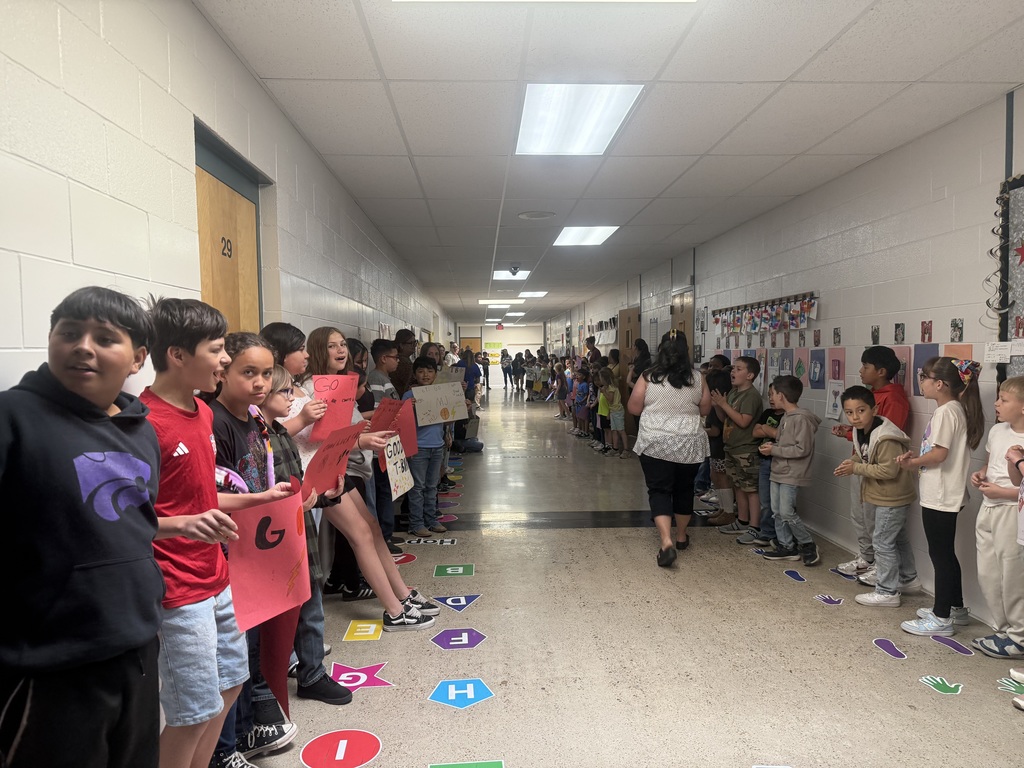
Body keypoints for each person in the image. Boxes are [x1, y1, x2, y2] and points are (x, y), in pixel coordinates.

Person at [0, 287, 165, 768]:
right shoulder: (14, 416)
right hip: (49, 663)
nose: (82, 346)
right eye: (68, 333)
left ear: (137, 359)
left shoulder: (142, 431)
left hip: (135, 648)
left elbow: (132, 528)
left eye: (104, 337)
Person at [260, 365, 354, 706]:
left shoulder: (281, 435)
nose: (292, 399)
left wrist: (327, 493)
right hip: (275, 539)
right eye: (286, 393)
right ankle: (270, 685)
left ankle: (313, 673)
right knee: (283, 614)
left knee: (312, 606)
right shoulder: (260, 440)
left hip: (300, 534)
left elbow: (301, 483)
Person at [896, 357, 984, 637]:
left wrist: (913, 463)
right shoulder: (953, 409)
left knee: (941, 555)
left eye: (924, 376)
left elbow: (939, 454)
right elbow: (937, 451)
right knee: (945, 552)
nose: (921, 381)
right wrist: (919, 457)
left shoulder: (947, 412)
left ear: (940, 384)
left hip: (941, 494)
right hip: (945, 492)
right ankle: (955, 608)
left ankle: (941, 617)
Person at [628, 330, 710, 567]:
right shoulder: (698, 378)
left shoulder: (648, 376)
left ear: (660, 350)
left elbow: (634, 408)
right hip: (688, 443)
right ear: (686, 351)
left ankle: (666, 541)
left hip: (656, 443)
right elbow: (705, 410)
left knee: (659, 490)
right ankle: (682, 536)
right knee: (684, 489)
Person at [834, 386, 919, 606]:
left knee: (882, 542)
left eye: (861, 411)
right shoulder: (859, 430)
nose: (855, 417)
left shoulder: (886, 437)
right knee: (897, 538)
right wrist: (851, 463)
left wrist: (856, 469)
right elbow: (864, 456)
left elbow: (888, 471)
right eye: (850, 412)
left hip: (892, 496)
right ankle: (908, 579)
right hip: (882, 494)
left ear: (874, 408)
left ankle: (887, 591)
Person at [833, 346, 911, 582]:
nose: (861, 371)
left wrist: (856, 457)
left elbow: (885, 436)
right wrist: (849, 433)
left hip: (878, 472)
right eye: (850, 412)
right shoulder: (869, 395)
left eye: (866, 367)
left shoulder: (894, 398)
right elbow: (865, 433)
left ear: (881, 371)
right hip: (863, 463)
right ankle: (867, 558)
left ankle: (883, 569)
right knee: (860, 515)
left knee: (879, 525)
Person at [967, 377, 1024, 657]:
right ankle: (1002, 630)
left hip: (1013, 513)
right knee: (988, 573)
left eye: (1004, 399)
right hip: (988, 506)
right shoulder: (998, 431)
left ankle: (1019, 636)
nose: (996, 403)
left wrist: (1003, 492)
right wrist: (981, 474)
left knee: (1012, 576)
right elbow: (991, 465)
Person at [758, 375, 821, 565]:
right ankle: (786, 546)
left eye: (773, 394)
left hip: (791, 473)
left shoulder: (801, 419)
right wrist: (773, 446)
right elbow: (786, 443)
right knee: (777, 511)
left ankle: (807, 543)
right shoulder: (787, 416)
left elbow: (802, 449)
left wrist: (774, 450)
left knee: (787, 512)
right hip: (778, 470)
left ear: (782, 395)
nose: (772, 398)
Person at [710, 356, 763, 534]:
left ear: (750, 375)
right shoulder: (733, 393)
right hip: (731, 447)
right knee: (738, 487)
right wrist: (718, 405)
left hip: (746, 450)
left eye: (739, 369)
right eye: (733, 368)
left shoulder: (751, 396)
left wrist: (724, 404)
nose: (733, 372)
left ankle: (754, 526)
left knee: (750, 489)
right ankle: (742, 520)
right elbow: (725, 419)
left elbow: (743, 421)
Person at [736, 382, 784, 546]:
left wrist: (766, 429)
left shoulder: (790, 416)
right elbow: (755, 432)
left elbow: (781, 436)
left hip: (780, 462)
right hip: (763, 461)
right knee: (765, 500)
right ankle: (766, 532)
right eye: (769, 394)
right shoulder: (768, 413)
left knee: (778, 503)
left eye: (774, 394)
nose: (770, 398)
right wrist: (770, 431)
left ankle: (780, 536)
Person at [404, 357, 447, 537]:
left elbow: (447, 417)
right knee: (417, 488)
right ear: (415, 374)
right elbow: (403, 424)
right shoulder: (409, 396)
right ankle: (416, 523)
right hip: (418, 448)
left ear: (435, 374)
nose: (425, 375)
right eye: (421, 371)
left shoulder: (440, 393)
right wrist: (407, 408)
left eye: (429, 371)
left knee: (432, 486)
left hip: (438, 446)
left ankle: (431, 520)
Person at [702, 369, 734, 523]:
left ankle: (728, 511)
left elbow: (715, 431)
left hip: (721, 447)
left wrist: (697, 430)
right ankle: (723, 508)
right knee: (715, 476)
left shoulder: (719, 404)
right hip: (715, 448)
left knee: (721, 478)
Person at [599, 367, 628, 458]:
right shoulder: (609, 387)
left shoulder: (611, 388)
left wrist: (604, 392)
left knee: (621, 430)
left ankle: (626, 449)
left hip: (617, 411)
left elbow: (610, 400)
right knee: (614, 430)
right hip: (613, 411)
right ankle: (615, 449)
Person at [390, 329, 417, 397]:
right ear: (401, 345)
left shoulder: (405, 359)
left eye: (415, 342)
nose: (414, 346)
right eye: (411, 343)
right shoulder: (402, 362)